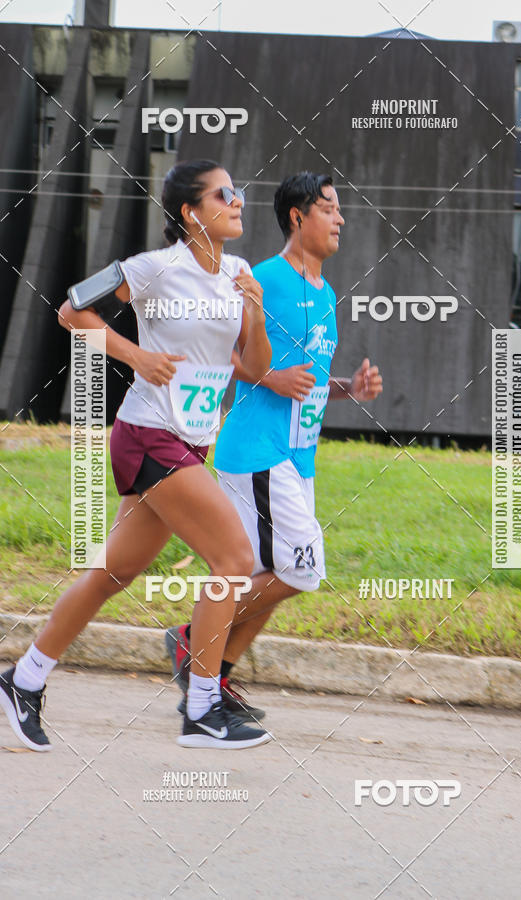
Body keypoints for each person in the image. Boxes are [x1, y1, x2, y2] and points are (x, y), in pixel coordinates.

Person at [0, 159, 274, 751]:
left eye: (240, 191)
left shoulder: (240, 271)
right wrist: (134, 357)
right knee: (233, 558)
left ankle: (23, 680)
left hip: (192, 440)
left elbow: (254, 369)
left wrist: (252, 306)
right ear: (190, 212)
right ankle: (201, 709)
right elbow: (72, 309)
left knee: (112, 574)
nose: (239, 200)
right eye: (225, 193)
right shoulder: (154, 269)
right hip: (150, 434)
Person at [165, 171, 383, 717]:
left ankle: (214, 676)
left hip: (297, 458)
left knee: (275, 569)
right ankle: (195, 641)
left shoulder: (325, 293)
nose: (340, 219)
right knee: (301, 568)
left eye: (339, 210)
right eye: (329, 209)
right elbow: (218, 351)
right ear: (297, 216)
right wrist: (268, 379)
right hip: (257, 451)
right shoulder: (260, 277)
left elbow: (303, 381)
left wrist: (347, 390)